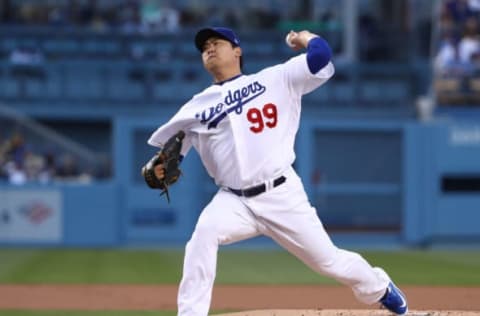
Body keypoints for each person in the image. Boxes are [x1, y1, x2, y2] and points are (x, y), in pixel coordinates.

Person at [146, 26, 408, 316]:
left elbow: (321, 55)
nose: (208, 48)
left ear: (237, 51)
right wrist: (160, 169)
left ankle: (380, 288)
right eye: (204, 46)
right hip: (234, 201)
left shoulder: (276, 79)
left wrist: (303, 37)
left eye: (216, 43)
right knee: (203, 235)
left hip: (282, 194)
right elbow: (170, 156)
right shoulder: (195, 107)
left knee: (329, 262)